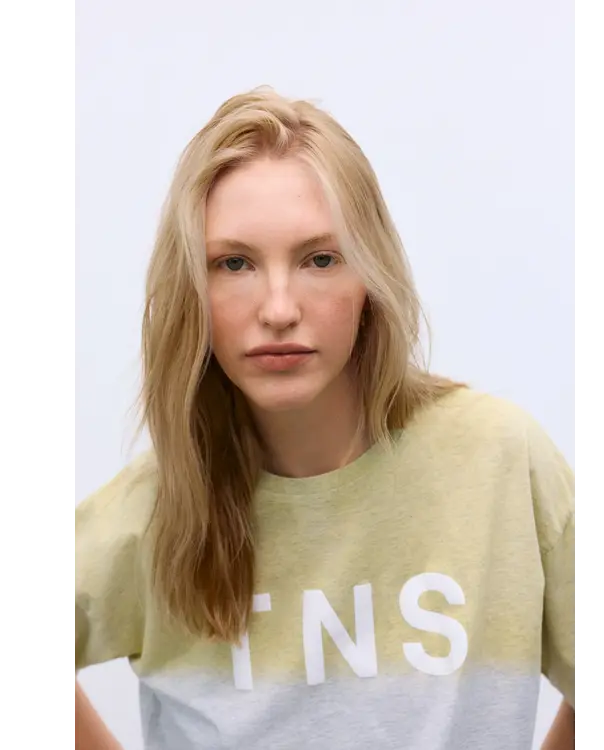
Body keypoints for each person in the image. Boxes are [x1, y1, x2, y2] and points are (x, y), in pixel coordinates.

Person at [73, 87, 576, 750]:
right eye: (234, 263)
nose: (279, 309)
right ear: (193, 289)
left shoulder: (500, 461)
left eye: (320, 259)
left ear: (370, 279)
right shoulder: (158, 506)